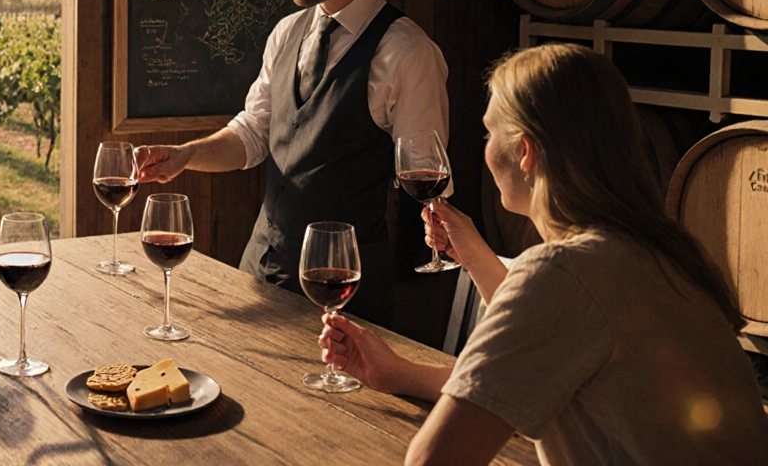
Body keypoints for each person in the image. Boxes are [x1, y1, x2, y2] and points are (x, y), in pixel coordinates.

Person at [317, 43, 768, 465]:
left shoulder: (566, 272)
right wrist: (396, 373)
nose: (484, 148)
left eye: (489, 132)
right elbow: (526, 372)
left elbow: (432, 460)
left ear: (526, 152)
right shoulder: (657, 253)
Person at [135, 0, 450, 327]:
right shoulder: (286, 33)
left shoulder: (407, 54)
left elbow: (427, 179)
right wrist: (187, 156)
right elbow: (253, 133)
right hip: (261, 269)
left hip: (344, 290)